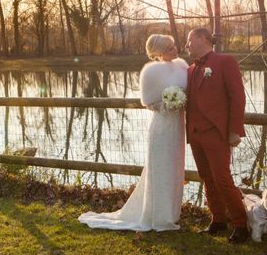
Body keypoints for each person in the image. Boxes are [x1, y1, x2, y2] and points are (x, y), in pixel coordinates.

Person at [78, 34, 188, 231]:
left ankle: (171, 213)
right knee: (161, 169)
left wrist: (181, 100)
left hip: (178, 126)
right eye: (170, 48)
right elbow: (148, 102)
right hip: (162, 126)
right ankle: (157, 216)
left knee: (175, 168)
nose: (175, 49)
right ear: (160, 52)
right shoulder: (151, 71)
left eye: (173, 46)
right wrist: (169, 104)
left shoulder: (182, 65)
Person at [185, 27, 249, 243]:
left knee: (222, 178)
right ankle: (218, 219)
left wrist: (234, 131)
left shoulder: (225, 62)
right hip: (195, 133)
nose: (187, 45)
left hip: (217, 132)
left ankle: (241, 224)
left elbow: (237, 97)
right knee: (207, 178)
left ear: (203, 39)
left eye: (190, 40)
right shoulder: (191, 69)